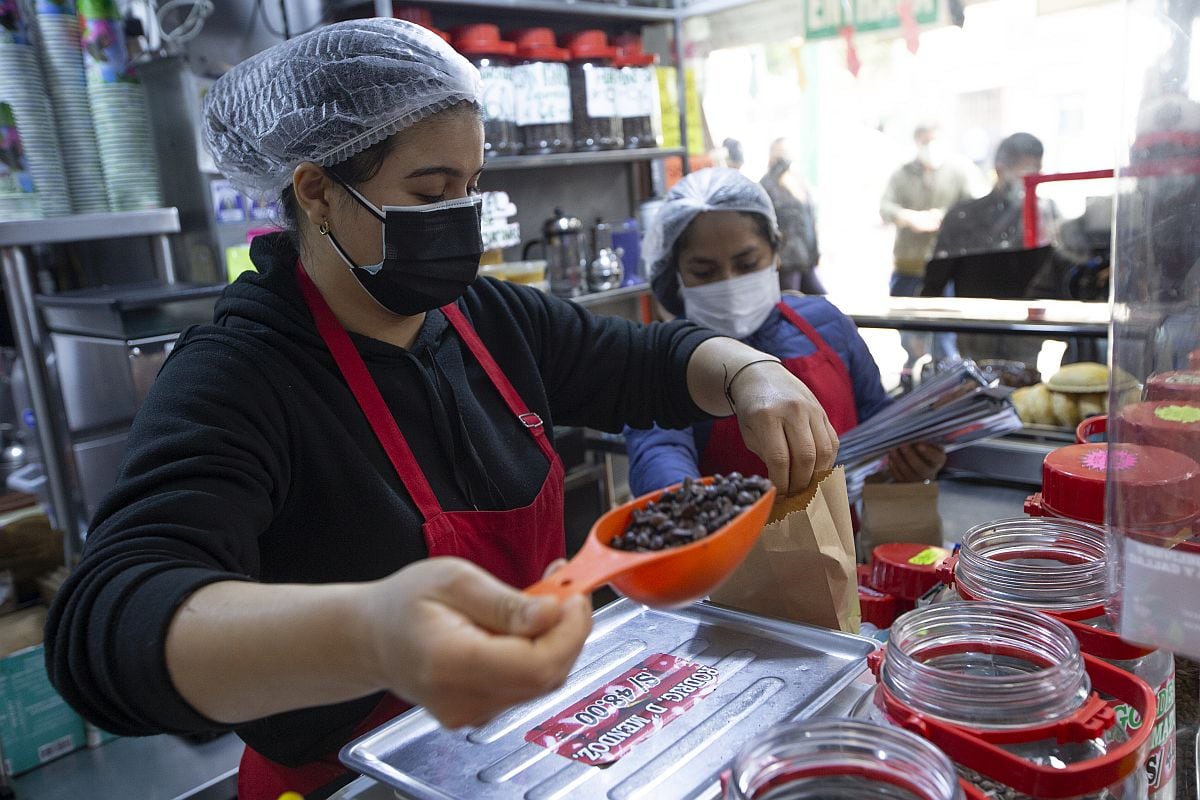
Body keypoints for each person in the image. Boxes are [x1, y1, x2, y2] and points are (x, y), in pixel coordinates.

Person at [43, 21, 836, 800]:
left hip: (518, 745)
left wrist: (750, 372)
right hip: (347, 779)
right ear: (315, 190)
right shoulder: (239, 374)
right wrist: (371, 637)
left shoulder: (486, 319)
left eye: (471, 187)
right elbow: (107, 622)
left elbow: (647, 362)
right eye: (431, 191)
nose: (461, 215)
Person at [633, 168, 945, 497]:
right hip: (732, 543)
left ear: (776, 251)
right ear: (676, 271)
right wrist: (688, 507)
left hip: (840, 542)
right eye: (704, 271)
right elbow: (659, 450)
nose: (729, 282)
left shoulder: (828, 326)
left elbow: (875, 417)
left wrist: (911, 454)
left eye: (747, 264)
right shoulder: (666, 358)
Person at [880, 123, 983, 382]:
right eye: (924, 141)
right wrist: (908, 218)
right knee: (910, 335)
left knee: (945, 337)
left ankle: (947, 385)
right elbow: (885, 207)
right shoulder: (901, 174)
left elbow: (976, 207)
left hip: (946, 267)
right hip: (908, 265)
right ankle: (912, 382)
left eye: (934, 140)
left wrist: (945, 218)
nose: (930, 147)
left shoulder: (959, 171)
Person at [932, 132, 1057, 259]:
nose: (1034, 183)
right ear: (1000, 171)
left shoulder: (1046, 213)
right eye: (1025, 175)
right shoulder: (964, 217)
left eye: (1038, 173)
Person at [760, 137, 824, 294]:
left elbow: (809, 220)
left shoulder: (799, 182)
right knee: (792, 301)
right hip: (786, 260)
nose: (784, 157)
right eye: (780, 152)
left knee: (820, 298)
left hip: (805, 259)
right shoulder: (768, 185)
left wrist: (815, 252)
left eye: (786, 152)